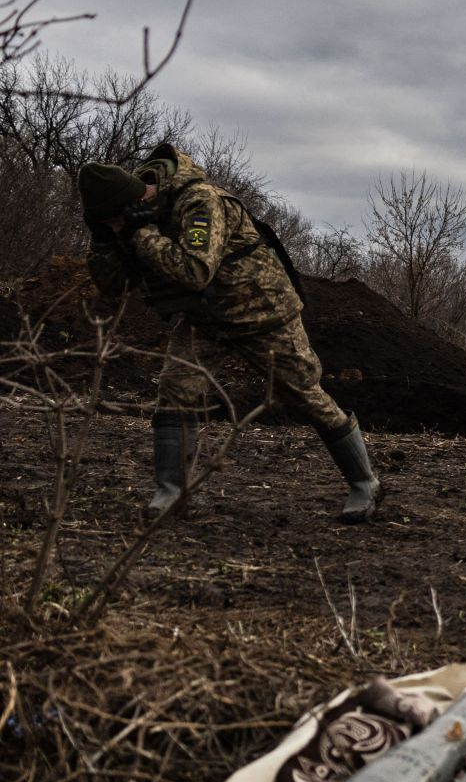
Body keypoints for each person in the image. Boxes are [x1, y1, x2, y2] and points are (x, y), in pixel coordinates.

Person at [78, 144, 382, 523]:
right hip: (202, 320)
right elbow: (114, 287)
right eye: (107, 225)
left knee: (304, 396)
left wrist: (141, 235)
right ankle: (172, 492)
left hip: (261, 314)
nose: (116, 230)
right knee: (174, 393)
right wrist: (105, 242)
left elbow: (194, 270)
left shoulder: (199, 201)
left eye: (113, 223)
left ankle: (364, 483)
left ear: (132, 202)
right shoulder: (131, 219)